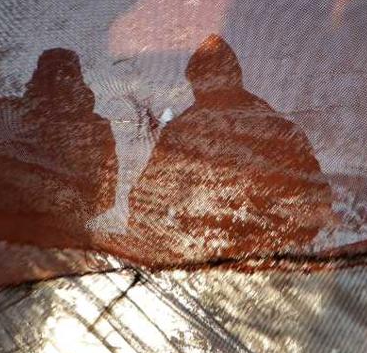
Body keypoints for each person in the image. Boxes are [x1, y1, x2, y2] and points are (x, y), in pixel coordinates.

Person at [127, 34, 333, 263]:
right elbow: (315, 206)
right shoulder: (280, 129)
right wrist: (273, 245)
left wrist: (175, 253)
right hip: (266, 269)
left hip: (210, 268)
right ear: (236, 76)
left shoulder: (182, 134)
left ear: (195, 82)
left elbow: (145, 206)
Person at [0, 48, 117, 249]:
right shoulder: (1, 112)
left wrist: (62, 216)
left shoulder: (96, 128)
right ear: (38, 75)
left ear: (78, 79)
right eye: (50, 71)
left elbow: (105, 195)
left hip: (61, 243)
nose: (58, 79)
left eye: (66, 72)